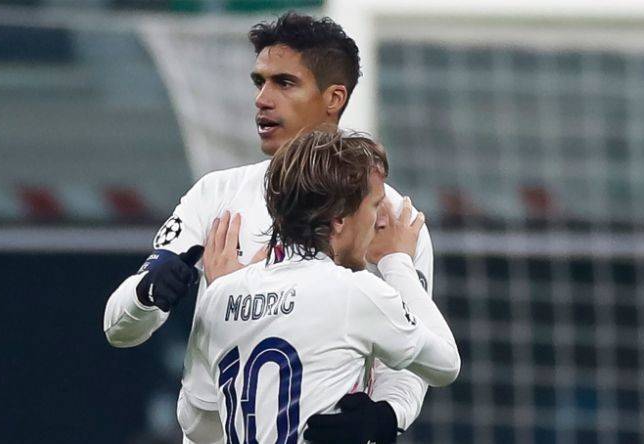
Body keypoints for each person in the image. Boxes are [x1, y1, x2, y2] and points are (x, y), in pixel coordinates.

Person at [103, 12, 439, 443]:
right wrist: (147, 294)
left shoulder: (390, 220)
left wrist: (388, 415)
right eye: (259, 82)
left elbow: (417, 355)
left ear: (334, 97)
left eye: (284, 83)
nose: (262, 99)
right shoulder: (215, 195)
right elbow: (118, 329)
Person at [179, 130, 460, 444]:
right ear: (339, 219)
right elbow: (446, 363)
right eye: (374, 206)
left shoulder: (219, 296)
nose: (378, 221)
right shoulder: (356, 293)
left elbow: (199, 426)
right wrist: (397, 262)